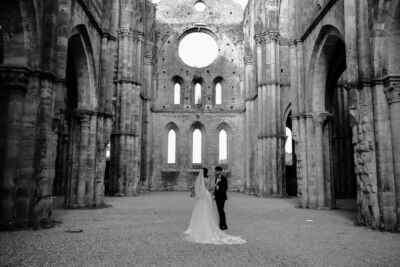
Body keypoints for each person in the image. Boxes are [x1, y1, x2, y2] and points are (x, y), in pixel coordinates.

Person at [184, 168, 246, 245]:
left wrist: (211, 189)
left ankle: (205, 226)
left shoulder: (202, 179)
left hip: (204, 195)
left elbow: (201, 187)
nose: (214, 172)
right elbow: (206, 188)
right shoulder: (206, 179)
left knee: (202, 210)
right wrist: (213, 188)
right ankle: (211, 226)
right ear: (206, 172)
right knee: (207, 210)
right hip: (206, 194)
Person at [214, 165, 228, 230]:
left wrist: (218, 187)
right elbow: (215, 188)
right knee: (220, 211)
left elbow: (225, 188)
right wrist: (214, 195)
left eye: (217, 171)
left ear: (220, 171)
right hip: (217, 197)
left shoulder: (224, 178)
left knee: (221, 211)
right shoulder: (216, 178)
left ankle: (223, 225)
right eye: (216, 171)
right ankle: (222, 224)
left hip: (222, 197)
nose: (216, 172)